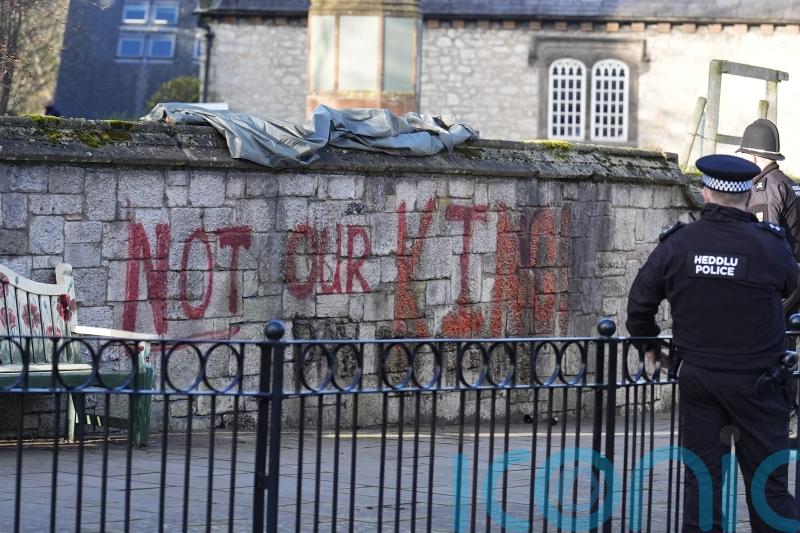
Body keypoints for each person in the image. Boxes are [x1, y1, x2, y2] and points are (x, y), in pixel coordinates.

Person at [627, 154, 800, 532]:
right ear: (744, 196)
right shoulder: (768, 246)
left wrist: (653, 353)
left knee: (702, 484)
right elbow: (791, 285)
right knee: (768, 488)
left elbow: (639, 304)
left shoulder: (679, 244)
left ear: (705, 192)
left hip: (699, 379)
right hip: (759, 382)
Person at [739, 118, 800, 317]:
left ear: (754, 157)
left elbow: (764, 244)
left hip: (779, 282)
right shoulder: (789, 183)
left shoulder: (764, 188)